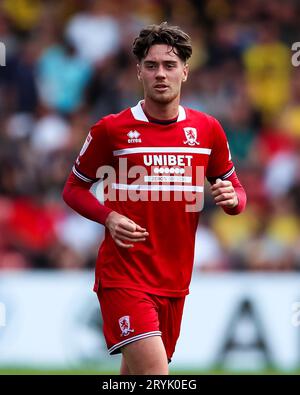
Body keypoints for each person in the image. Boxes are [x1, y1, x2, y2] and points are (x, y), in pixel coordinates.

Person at [62, 22, 246, 375]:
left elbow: (237, 191)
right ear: (139, 72)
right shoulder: (112, 129)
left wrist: (232, 199)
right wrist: (108, 217)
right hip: (124, 277)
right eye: (151, 65)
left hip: (175, 282)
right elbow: (73, 188)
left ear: (185, 72)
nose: (161, 74)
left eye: (170, 65)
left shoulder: (207, 129)